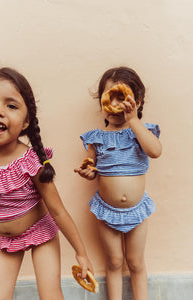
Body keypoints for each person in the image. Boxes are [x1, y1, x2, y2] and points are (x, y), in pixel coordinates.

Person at [0, 67, 93, 300]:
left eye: (11, 105)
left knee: (50, 295)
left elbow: (57, 211)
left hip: (40, 231)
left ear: (27, 121)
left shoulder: (31, 161)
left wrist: (81, 253)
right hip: (3, 239)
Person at [74, 66, 162, 300]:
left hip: (137, 210)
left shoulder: (143, 132)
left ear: (137, 101)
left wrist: (133, 120)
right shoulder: (96, 137)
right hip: (106, 210)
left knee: (135, 261)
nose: (114, 104)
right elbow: (92, 166)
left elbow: (155, 151)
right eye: (108, 96)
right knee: (113, 262)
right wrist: (88, 172)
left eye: (121, 98)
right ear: (101, 102)